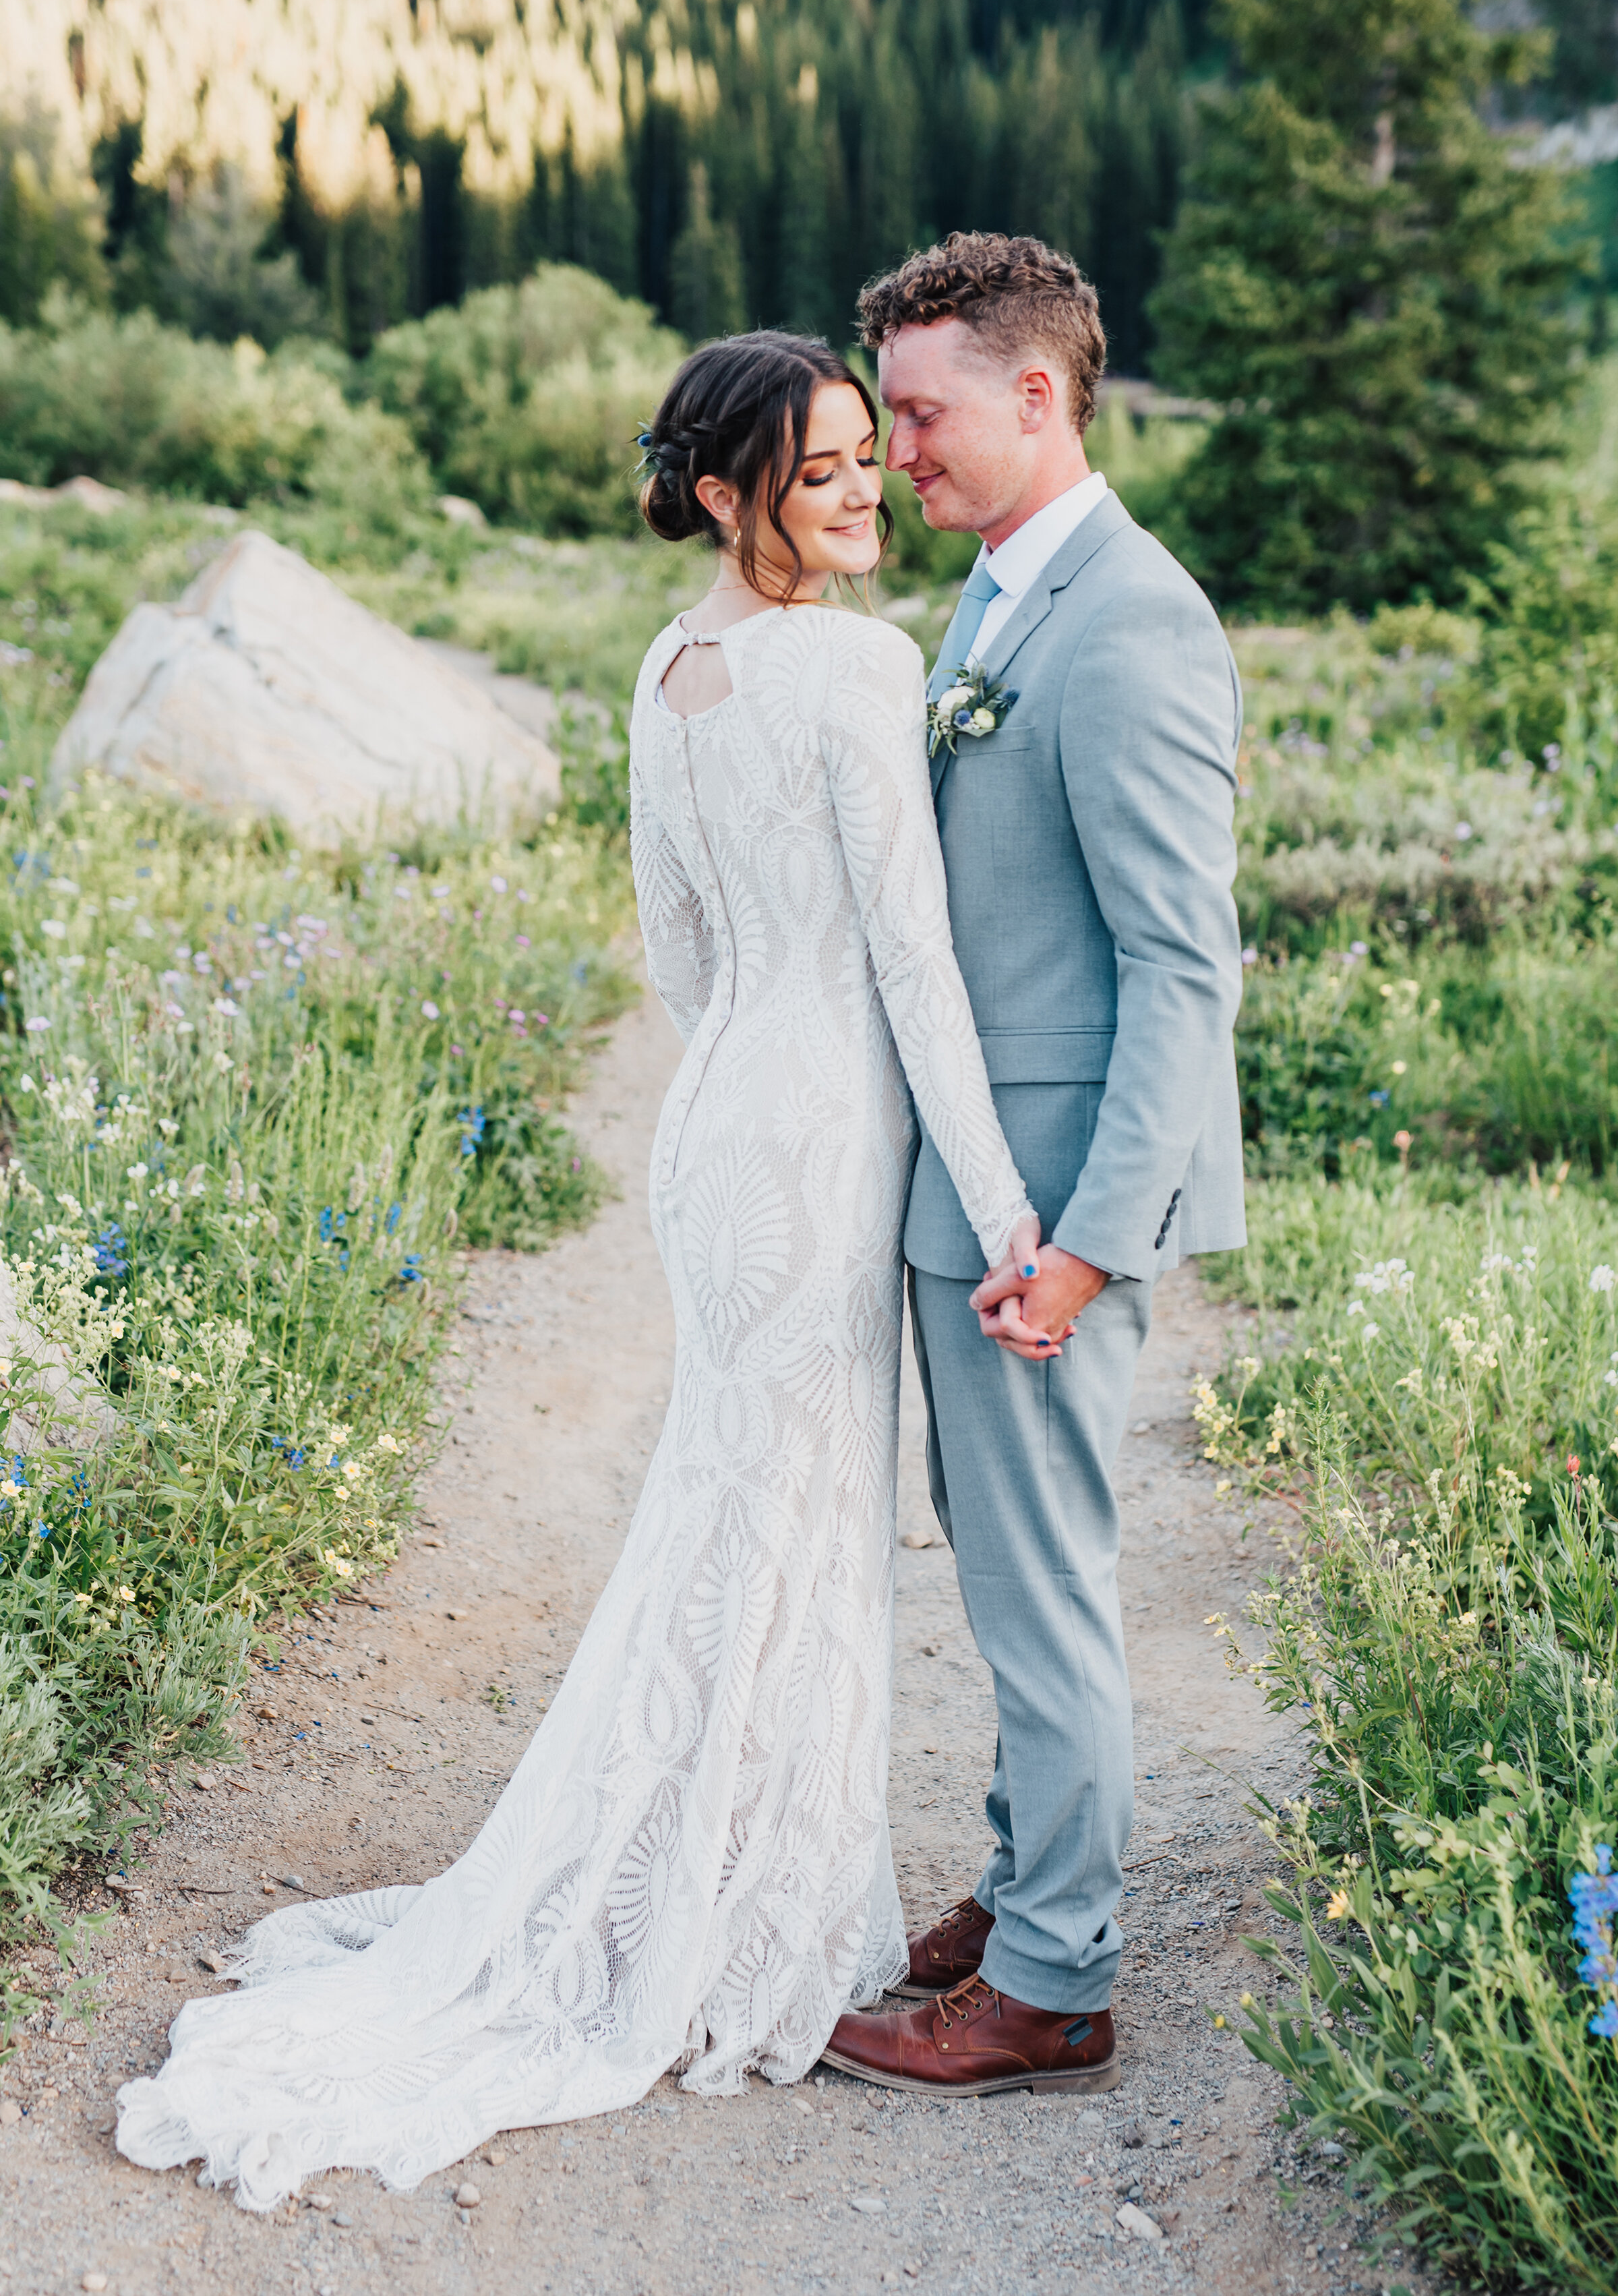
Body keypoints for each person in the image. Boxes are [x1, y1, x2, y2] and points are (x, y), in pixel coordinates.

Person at [115, 330, 1047, 2209]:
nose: (863, 493)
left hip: (717, 1126)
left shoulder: (671, 662)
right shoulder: (858, 668)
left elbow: (681, 955)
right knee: (787, 1518)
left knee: (733, 1510)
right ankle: (746, 1920)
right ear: (724, 491)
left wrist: (764, 1073)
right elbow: (915, 967)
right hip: (818, 1138)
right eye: (820, 471)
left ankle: (705, 1877)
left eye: (871, 458)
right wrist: (1009, 1211)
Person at [822, 232, 1245, 2098]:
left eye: (916, 414)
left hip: (1052, 1207)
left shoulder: (1135, 619)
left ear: (1036, 393)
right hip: (981, 1189)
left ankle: (1059, 1976)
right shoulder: (996, 593)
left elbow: (1181, 967)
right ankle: (1021, 1883)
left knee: (1044, 1582)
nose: (895, 451)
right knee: (1005, 1566)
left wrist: (1084, 1240)